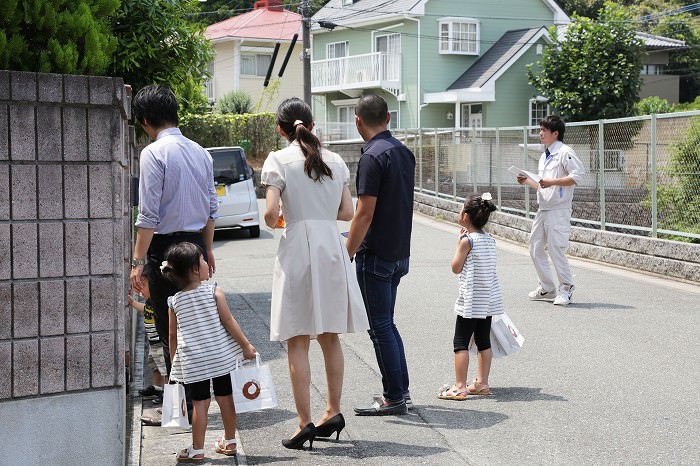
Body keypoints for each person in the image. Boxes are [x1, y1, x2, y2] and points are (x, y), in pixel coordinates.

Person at [261, 98, 369, 450]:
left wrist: (279, 218)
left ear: (281, 128)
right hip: (330, 247)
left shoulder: (278, 160)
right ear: (311, 124)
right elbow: (348, 211)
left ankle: (303, 422)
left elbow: (272, 211)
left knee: (297, 338)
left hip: (298, 249)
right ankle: (333, 411)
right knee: (329, 334)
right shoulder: (335, 160)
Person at [129, 84, 219, 372]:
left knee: (171, 331)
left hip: (165, 251)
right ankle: (198, 401)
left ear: (145, 121)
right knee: (198, 325)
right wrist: (208, 250)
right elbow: (211, 209)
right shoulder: (202, 153)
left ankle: (185, 407)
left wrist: (137, 262)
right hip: (196, 248)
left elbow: (148, 217)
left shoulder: (153, 153)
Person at [346, 94, 416, 416]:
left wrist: (348, 250)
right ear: (388, 117)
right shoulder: (403, 152)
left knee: (380, 328)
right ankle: (401, 392)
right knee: (388, 324)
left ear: (358, 120)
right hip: (399, 252)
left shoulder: (371, 157)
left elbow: (364, 213)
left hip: (375, 256)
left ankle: (393, 397)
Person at [161, 242, 256, 463]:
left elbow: (172, 336)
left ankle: (197, 449)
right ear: (195, 269)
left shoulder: (174, 302)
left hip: (195, 362)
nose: (206, 264)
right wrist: (245, 345)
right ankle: (230, 441)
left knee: (201, 403)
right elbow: (229, 321)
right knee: (225, 397)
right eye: (203, 260)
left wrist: (176, 362)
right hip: (220, 357)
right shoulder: (214, 291)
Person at [437, 193, 503, 401]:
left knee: (461, 343)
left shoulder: (466, 241)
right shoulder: (490, 240)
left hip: (471, 301)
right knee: (484, 341)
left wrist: (460, 242)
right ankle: (482, 383)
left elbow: (456, 268)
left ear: (465, 216)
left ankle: (459, 387)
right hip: (488, 300)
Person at [516, 115, 585, 306]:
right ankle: (547, 288)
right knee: (535, 247)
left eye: (544, 130)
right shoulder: (544, 155)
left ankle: (566, 288)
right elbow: (542, 186)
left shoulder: (564, 152)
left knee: (556, 250)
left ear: (555, 133)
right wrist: (528, 181)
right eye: (540, 130)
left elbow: (578, 176)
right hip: (544, 208)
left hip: (559, 210)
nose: (540, 133)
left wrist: (551, 182)